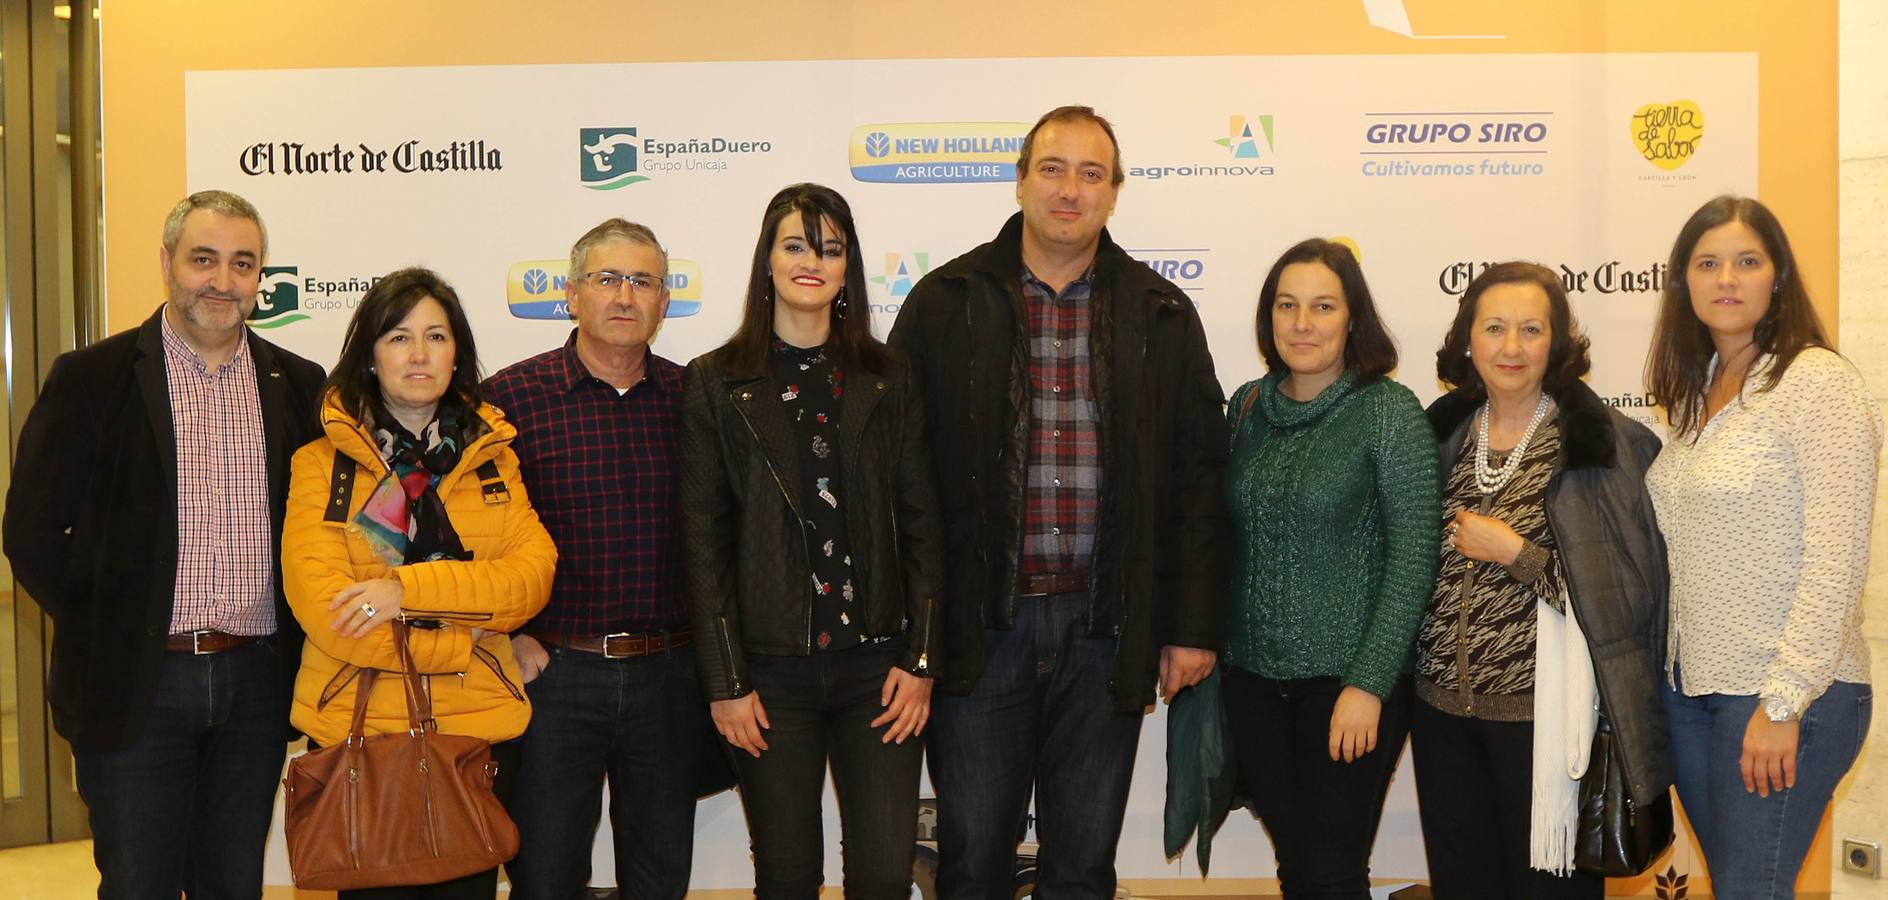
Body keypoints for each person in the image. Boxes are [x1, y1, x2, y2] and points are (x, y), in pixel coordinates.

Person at [888, 105, 1229, 898]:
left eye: (1090, 173)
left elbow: (1199, 481)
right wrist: (917, 628)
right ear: (1018, 181)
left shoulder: (1161, 314)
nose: (1069, 190)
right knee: (971, 860)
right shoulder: (945, 302)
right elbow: (899, 480)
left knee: (1081, 864)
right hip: (982, 627)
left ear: (1114, 192)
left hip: (1106, 629)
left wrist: (1191, 626)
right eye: (1052, 168)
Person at [2, 190, 325, 898]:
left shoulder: (300, 385)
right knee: (138, 883)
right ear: (167, 264)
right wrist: (108, 622)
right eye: (203, 259)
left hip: (257, 684)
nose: (222, 280)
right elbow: (30, 530)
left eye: (243, 264)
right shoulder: (92, 378)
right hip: (138, 684)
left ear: (261, 276)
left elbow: (325, 531)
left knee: (232, 883)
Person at [680, 182, 943, 899]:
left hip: (880, 672)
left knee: (885, 875)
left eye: (829, 248)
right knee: (788, 876)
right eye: (795, 245)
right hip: (769, 677)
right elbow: (703, 545)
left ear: (847, 267)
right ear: (767, 261)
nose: (811, 262)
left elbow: (923, 522)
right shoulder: (715, 382)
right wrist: (727, 681)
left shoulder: (888, 377)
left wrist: (921, 658)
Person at [281, 267, 556, 900]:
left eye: (436, 336)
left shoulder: (491, 459)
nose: (419, 353)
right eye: (399, 337)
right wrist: (467, 646)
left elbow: (529, 578)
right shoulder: (323, 466)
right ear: (369, 355)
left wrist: (404, 594)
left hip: (474, 731)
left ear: (458, 353)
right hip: (365, 732)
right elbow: (328, 608)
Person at [1413, 262, 1673, 899]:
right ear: (1467, 338)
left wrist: (1516, 553)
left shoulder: (1600, 446)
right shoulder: (1436, 434)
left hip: (1546, 729)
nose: (1510, 347)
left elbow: (1624, 603)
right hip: (1441, 718)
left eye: (1531, 329)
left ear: (1556, 344)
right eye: (1494, 327)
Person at [1645, 196, 1877, 898]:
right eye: (1707, 262)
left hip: (1787, 695)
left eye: (1747, 261)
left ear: (1776, 278)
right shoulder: (1692, 396)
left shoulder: (1817, 384)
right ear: (1684, 283)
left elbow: (1836, 560)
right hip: (1691, 695)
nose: (1727, 279)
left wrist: (1781, 706)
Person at [485, 218, 722, 899]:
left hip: (670, 680)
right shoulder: (508, 399)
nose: (625, 295)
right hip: (554, 677)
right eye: (606, 278)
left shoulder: (695, 399)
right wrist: (506, 634)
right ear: (570, 294)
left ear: (664, 301)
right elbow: (465, 533)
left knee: (659, 879)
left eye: (643, 281)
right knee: (545, 877)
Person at [1216, 239, 1438, 898]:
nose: (1302, 323)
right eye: (1287, 305)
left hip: (1350, 686)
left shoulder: (1387, 411)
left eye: (1322, 306)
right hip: (1253, 684)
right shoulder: (1247, 407)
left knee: (1333, 868)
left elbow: (1414, 555)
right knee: (1295, 866)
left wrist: (1367, 683)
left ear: (1352, 318)